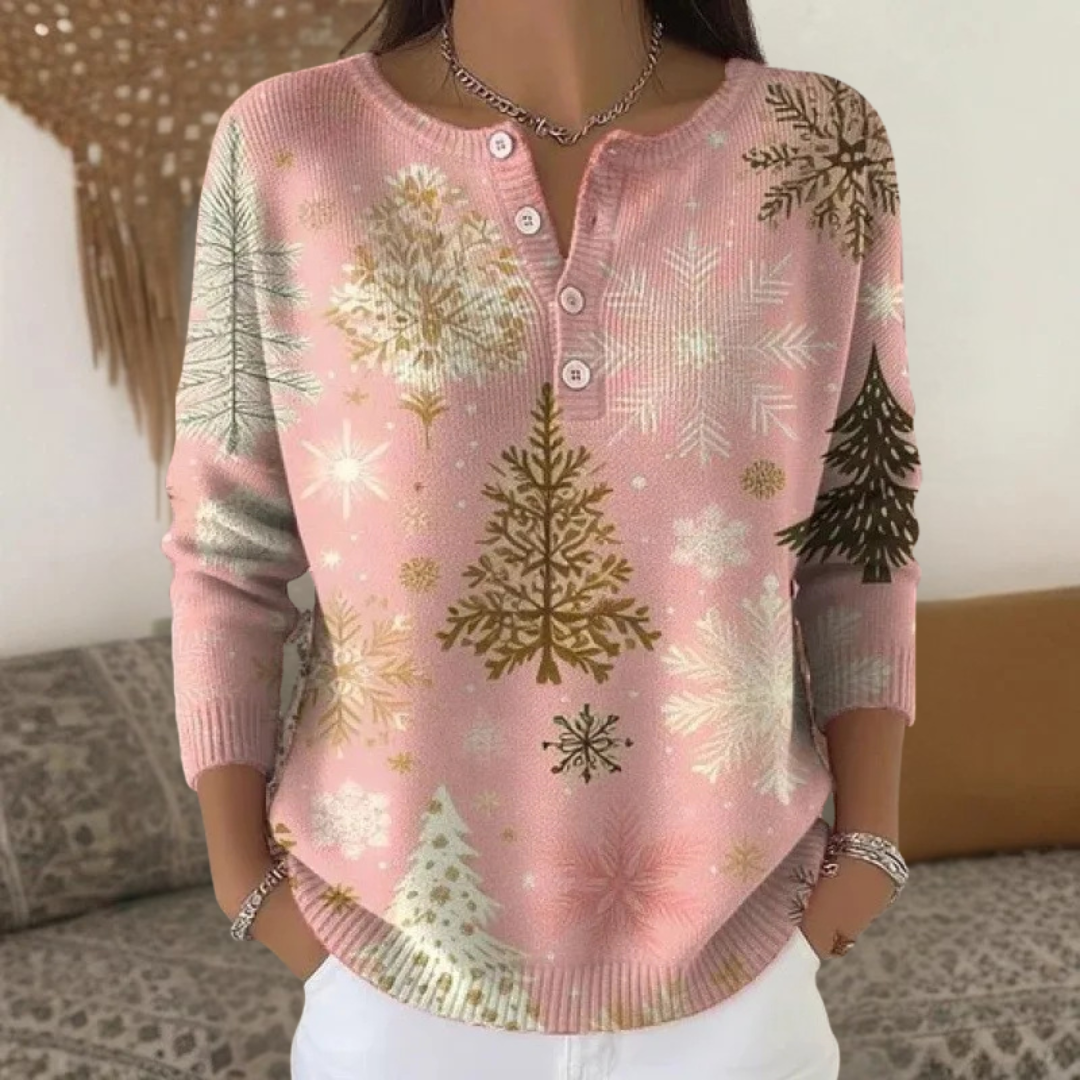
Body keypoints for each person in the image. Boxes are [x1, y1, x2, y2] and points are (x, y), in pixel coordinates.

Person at [161, 0, 921, 1076]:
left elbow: (863, 517)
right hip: (389, 976)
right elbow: (226, 540)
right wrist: (244, 879)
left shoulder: (816, 145)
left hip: (741, 972)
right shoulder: (293, 144)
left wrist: (869, 848)